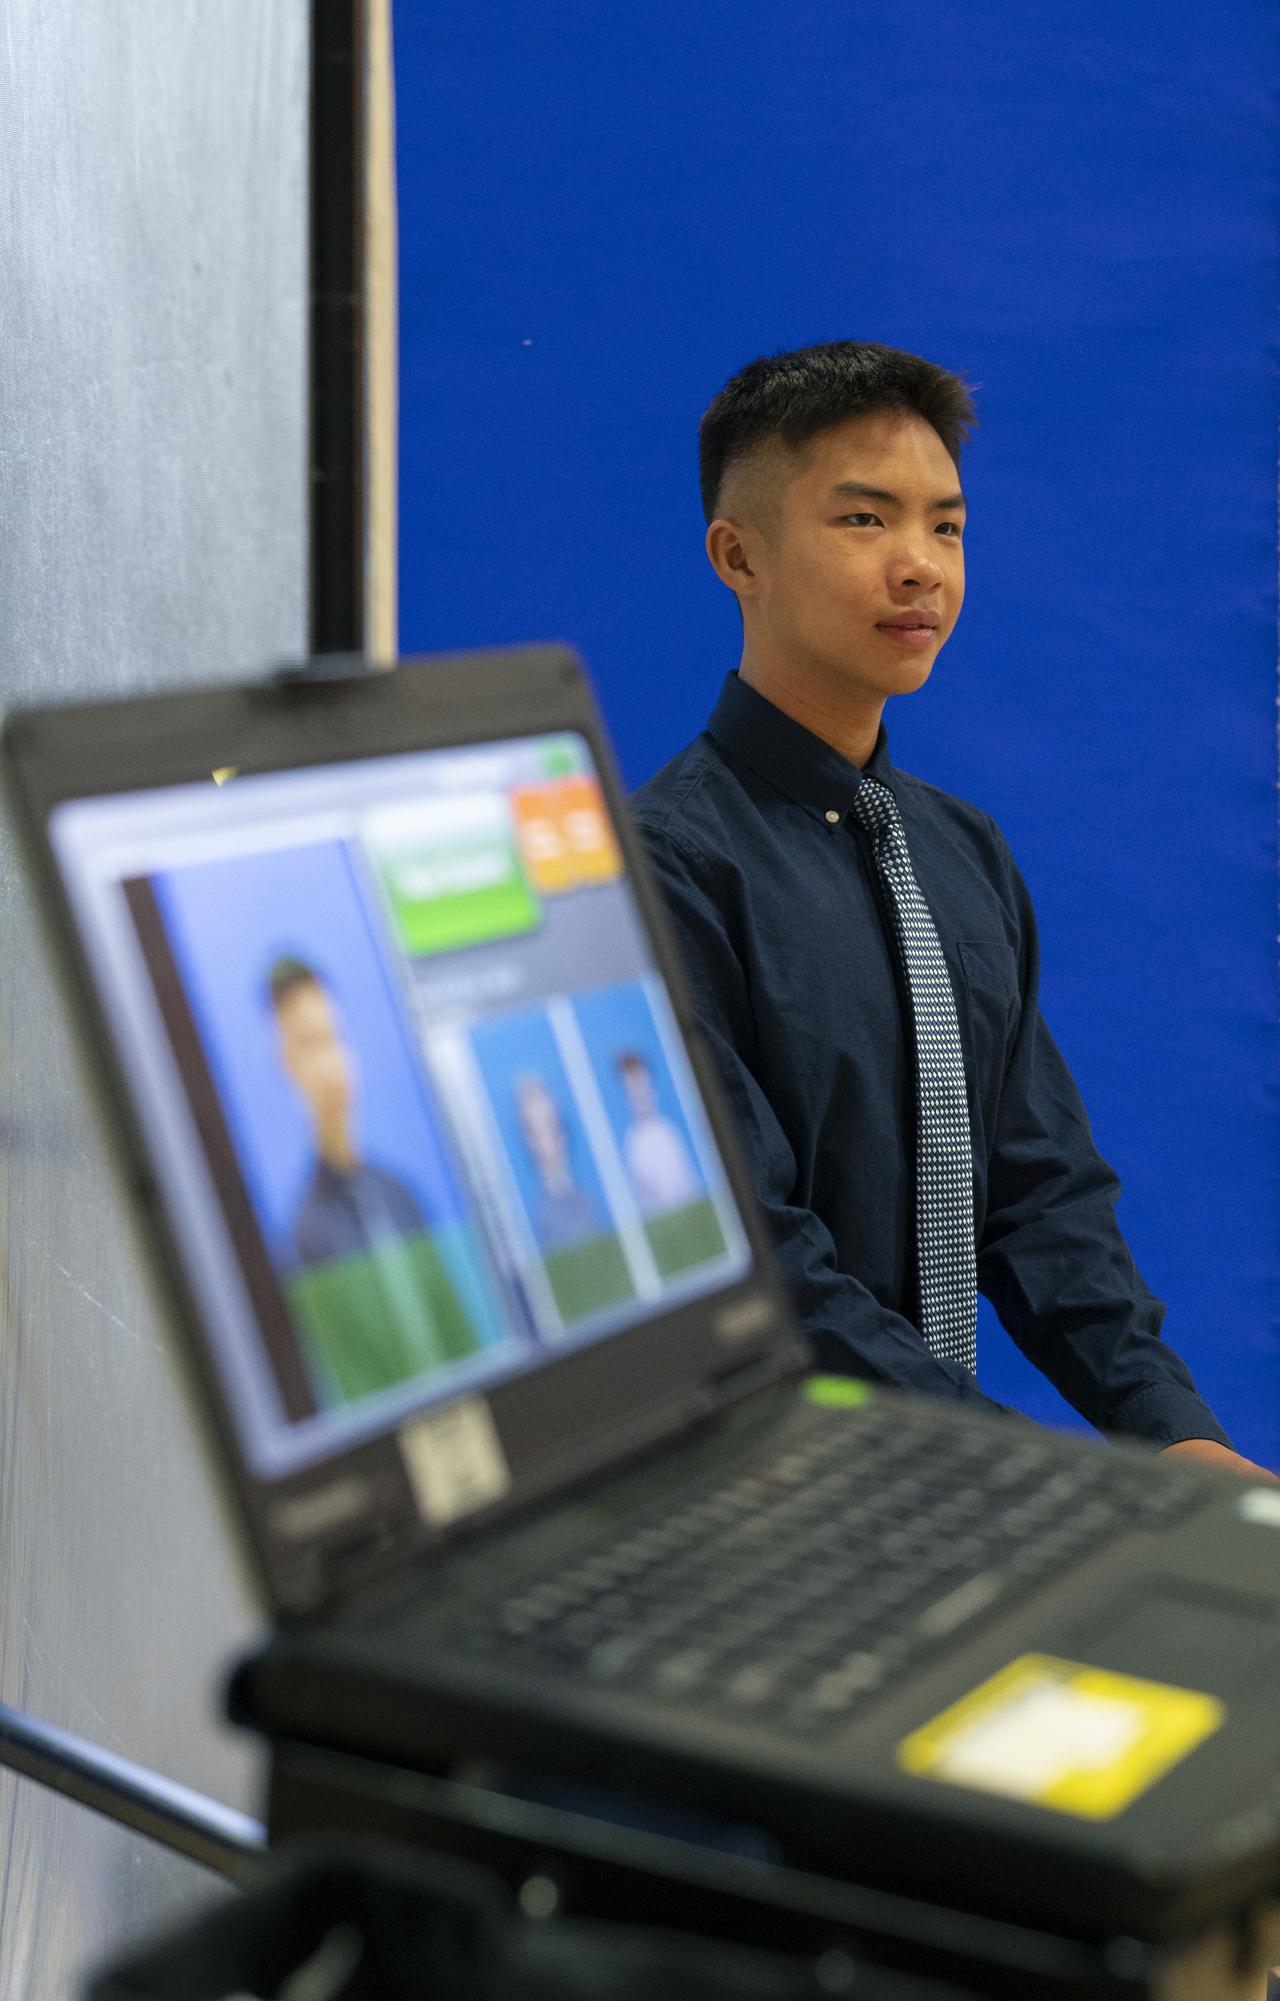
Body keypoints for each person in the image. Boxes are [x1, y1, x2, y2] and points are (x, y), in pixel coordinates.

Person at [633, 340, 1270, 1479]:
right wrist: (1013, 1477)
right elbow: (759, 1255)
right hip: (756, 1493)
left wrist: (1168, 1430)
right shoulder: (663, 867)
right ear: (738, 555)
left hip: (939, 1485)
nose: (919, 567)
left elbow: (1035, 1188)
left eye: (946, 525)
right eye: (864, 521)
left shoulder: (956, 847)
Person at [268, 955, 431, 1268]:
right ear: (287, 1064)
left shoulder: (399, 1195)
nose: (331, 1069)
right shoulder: (304, 1241)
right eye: (310, 1045)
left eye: (335, 1038)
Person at [513, 1071, 606, 1250]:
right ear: (530, 1141)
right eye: (543, 1128)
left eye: (554, 1123)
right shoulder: (540, 1215)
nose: (556, 1136)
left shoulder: (586, 1198)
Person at [615, 1049, 700, 1215]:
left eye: (642, 1085)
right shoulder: (633, 1144)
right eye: (632, 1089)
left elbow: (688, 1184)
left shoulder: (669, 1132)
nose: (639, 1094)